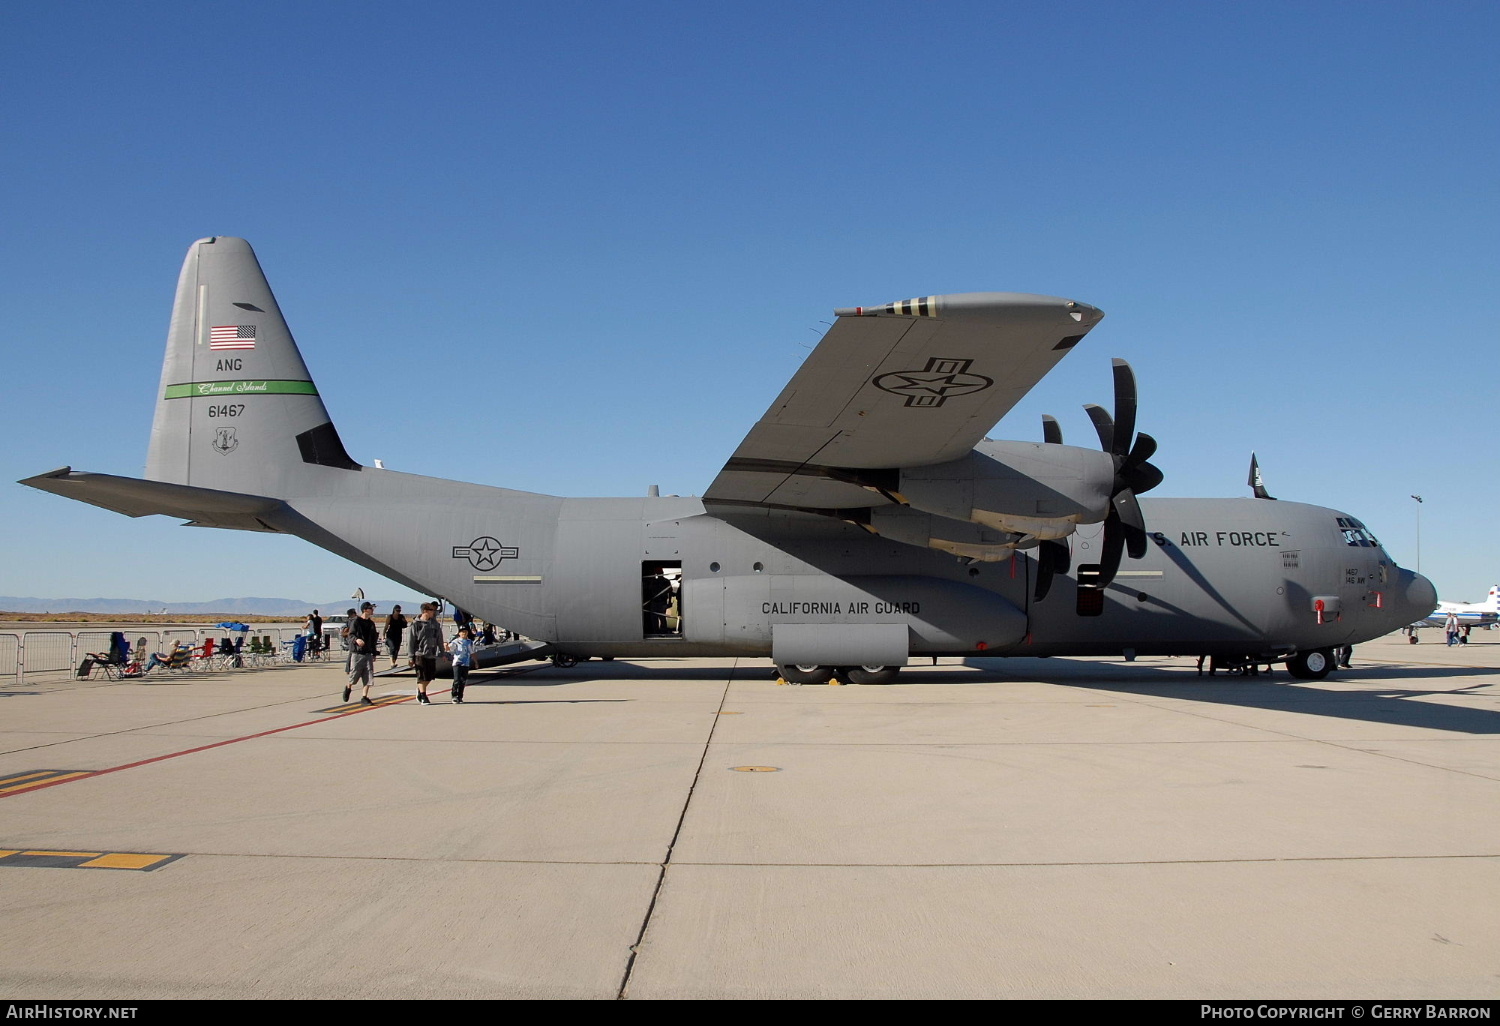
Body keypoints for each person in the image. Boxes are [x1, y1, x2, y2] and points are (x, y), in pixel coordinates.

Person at [407, 602, 445, 705]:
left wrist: (443, 652)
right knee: (421, 675)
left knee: (430, 676)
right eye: (432, 610)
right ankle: (423, 696)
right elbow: (411, 641)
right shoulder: (416, 624)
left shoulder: (435, 624)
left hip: (431, 653)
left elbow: (439, 639)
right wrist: (411, 657)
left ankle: (420, 690)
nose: (434, 612)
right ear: (425, 611)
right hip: (420, 653)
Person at [344, 602, 380, 706]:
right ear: (365, 610)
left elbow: (373, 639)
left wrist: (374, 653)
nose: (372, 610)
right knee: (354, 674)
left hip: (368, 653)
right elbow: (350, 635)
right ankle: (348, 687)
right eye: (370, 608)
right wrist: (357, 640)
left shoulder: (371, 624)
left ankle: (364, 697)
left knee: (368, 675)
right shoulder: (356, 621)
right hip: (357, 653)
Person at [448, 625, 475, 704]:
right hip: (457, 663)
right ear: (459, 633)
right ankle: (454, 696)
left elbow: (472, 652)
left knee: (463, 680)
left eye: (465, 632)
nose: (464, 633)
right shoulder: (455, 641)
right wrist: (446, 647)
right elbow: (450, 649)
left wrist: (476, 661)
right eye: (462, 632)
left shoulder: (469, 642)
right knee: (457, 680)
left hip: (465, 663)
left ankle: (460, 696)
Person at [340, 607, 357, 673]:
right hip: (351, 639)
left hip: (352, 639)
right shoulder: (350, 621)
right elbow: (345, 631)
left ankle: (350, 668)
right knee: (352, 654)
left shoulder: (351, 621)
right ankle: (348, 669)